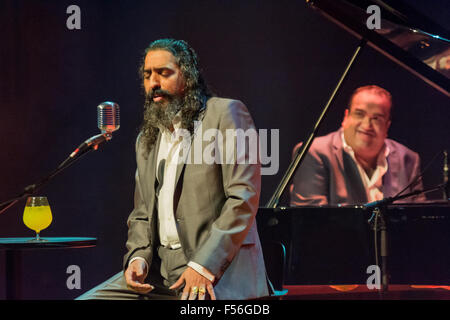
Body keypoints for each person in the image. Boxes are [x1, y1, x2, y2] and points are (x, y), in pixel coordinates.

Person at [78, 39, 269, 300]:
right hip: (158, 273)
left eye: (164, 73)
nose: (153, 83)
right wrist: (137, 257)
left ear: (187, 76)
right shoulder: (147, 138)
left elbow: (243, 198)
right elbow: (142, 213)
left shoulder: (226, 113)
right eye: (147, 75)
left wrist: (203, 265)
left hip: (215, 270)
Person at [290, 85, 426, 206]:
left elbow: (420, 221)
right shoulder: (313, 152)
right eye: (359, 114)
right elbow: (309, 223)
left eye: (376, 118)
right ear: (346, 117)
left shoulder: (409, 158)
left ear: (387, 125)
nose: (367, 125)